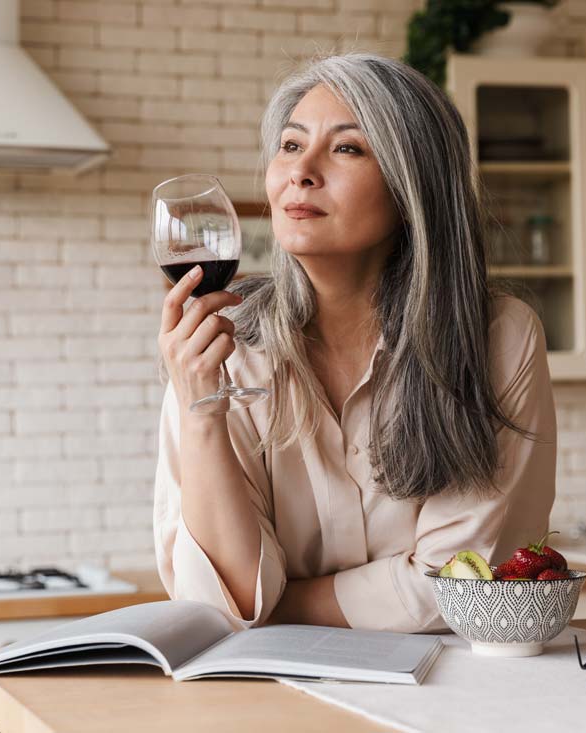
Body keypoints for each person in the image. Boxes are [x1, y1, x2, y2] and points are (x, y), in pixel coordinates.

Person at [153, 53, 556, 633]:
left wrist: (279, 604)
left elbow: (458, 587)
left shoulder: (498, 338)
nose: (302, 171)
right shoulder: (224, 351)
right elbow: (222, 602)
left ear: (412, 186)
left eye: (347, 148)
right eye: (290, 146)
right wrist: (201, 410)